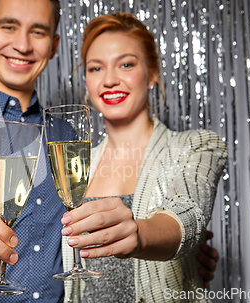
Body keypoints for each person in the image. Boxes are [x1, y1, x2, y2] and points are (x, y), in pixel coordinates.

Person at [0, 1, 219, 302]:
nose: (23, 44)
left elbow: (111, 220)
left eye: (38, 31)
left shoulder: (65, 134)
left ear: (54, 45)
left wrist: (185, 253)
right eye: (9, 26)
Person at [59, 12, 228, 302]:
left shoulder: (196, 146)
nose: (110, 79)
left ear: (151, 74)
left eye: (126, 64)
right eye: (96, 68)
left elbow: (187, 217)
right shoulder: (74, 164)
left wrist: (139, 234)